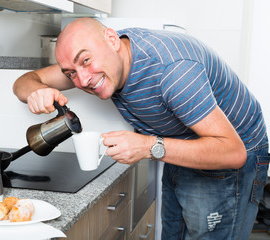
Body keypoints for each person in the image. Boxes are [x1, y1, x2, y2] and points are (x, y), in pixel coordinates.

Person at [13, 17, 269, 239]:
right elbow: (23, 82)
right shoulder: (95, 60)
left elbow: (233, 153)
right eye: (71, 73)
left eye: (86, 61)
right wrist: (37, 92)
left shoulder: (172, 72)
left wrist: (150, 146)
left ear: (112, 40)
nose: (83, 80)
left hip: (232, 151)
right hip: (185, 143)